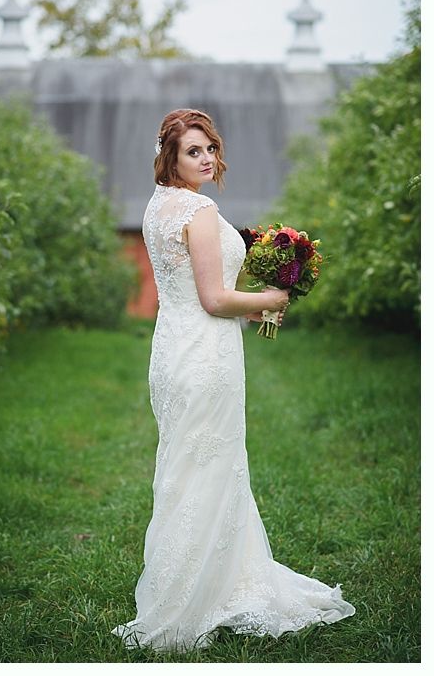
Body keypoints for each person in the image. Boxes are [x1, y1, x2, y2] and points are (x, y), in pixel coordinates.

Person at [112, 109, 354, 651]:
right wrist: (269, 298)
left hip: (176, 349)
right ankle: (188, 599)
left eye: (209, 149)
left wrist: (251, 307)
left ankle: (207, 582)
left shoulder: (157, 207)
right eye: (192, 151)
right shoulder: (198, 209)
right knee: (206, 467)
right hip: (206, 356)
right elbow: (215, 298)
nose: (205, 159)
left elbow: (197, 291)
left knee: (190, 468)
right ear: (170, 157)